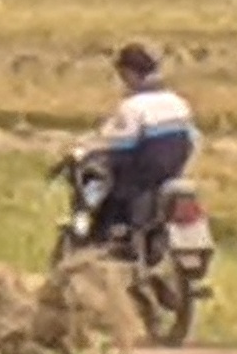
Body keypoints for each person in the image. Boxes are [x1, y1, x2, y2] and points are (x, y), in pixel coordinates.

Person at [83, 43, 200, 238]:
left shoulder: (133, 106)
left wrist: (96, 150)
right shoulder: (178, 102)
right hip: (173, 172)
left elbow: (121, 145)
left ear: (129, 73)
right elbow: (193, 139)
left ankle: (111, 241)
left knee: (110, 200)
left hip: (143, 177)